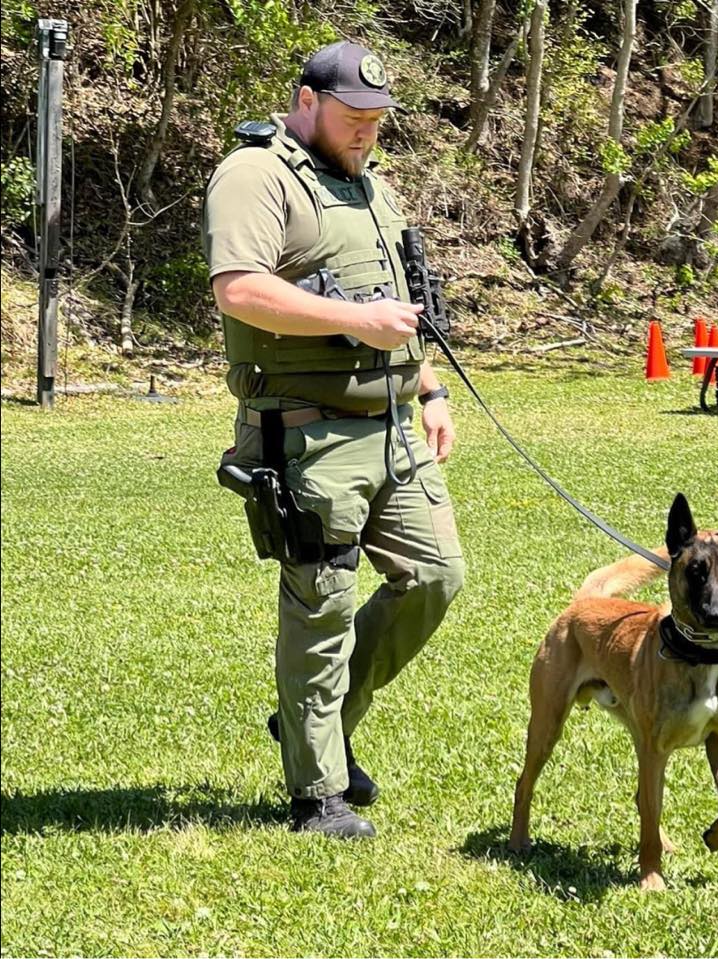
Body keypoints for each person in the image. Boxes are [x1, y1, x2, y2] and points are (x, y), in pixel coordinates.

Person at [201, 40, 466, 839]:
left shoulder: (369, 185)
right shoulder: (255, 175)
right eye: (354, 118)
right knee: (323, 603)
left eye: (377, 120)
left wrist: (431, 388)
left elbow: (393, 303)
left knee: (435, 575)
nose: (367, 133)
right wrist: (357, 320)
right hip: (308, 433)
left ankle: (313, 722)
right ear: (307, 101)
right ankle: (317, 793)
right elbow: (239, 289)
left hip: (393, 427)